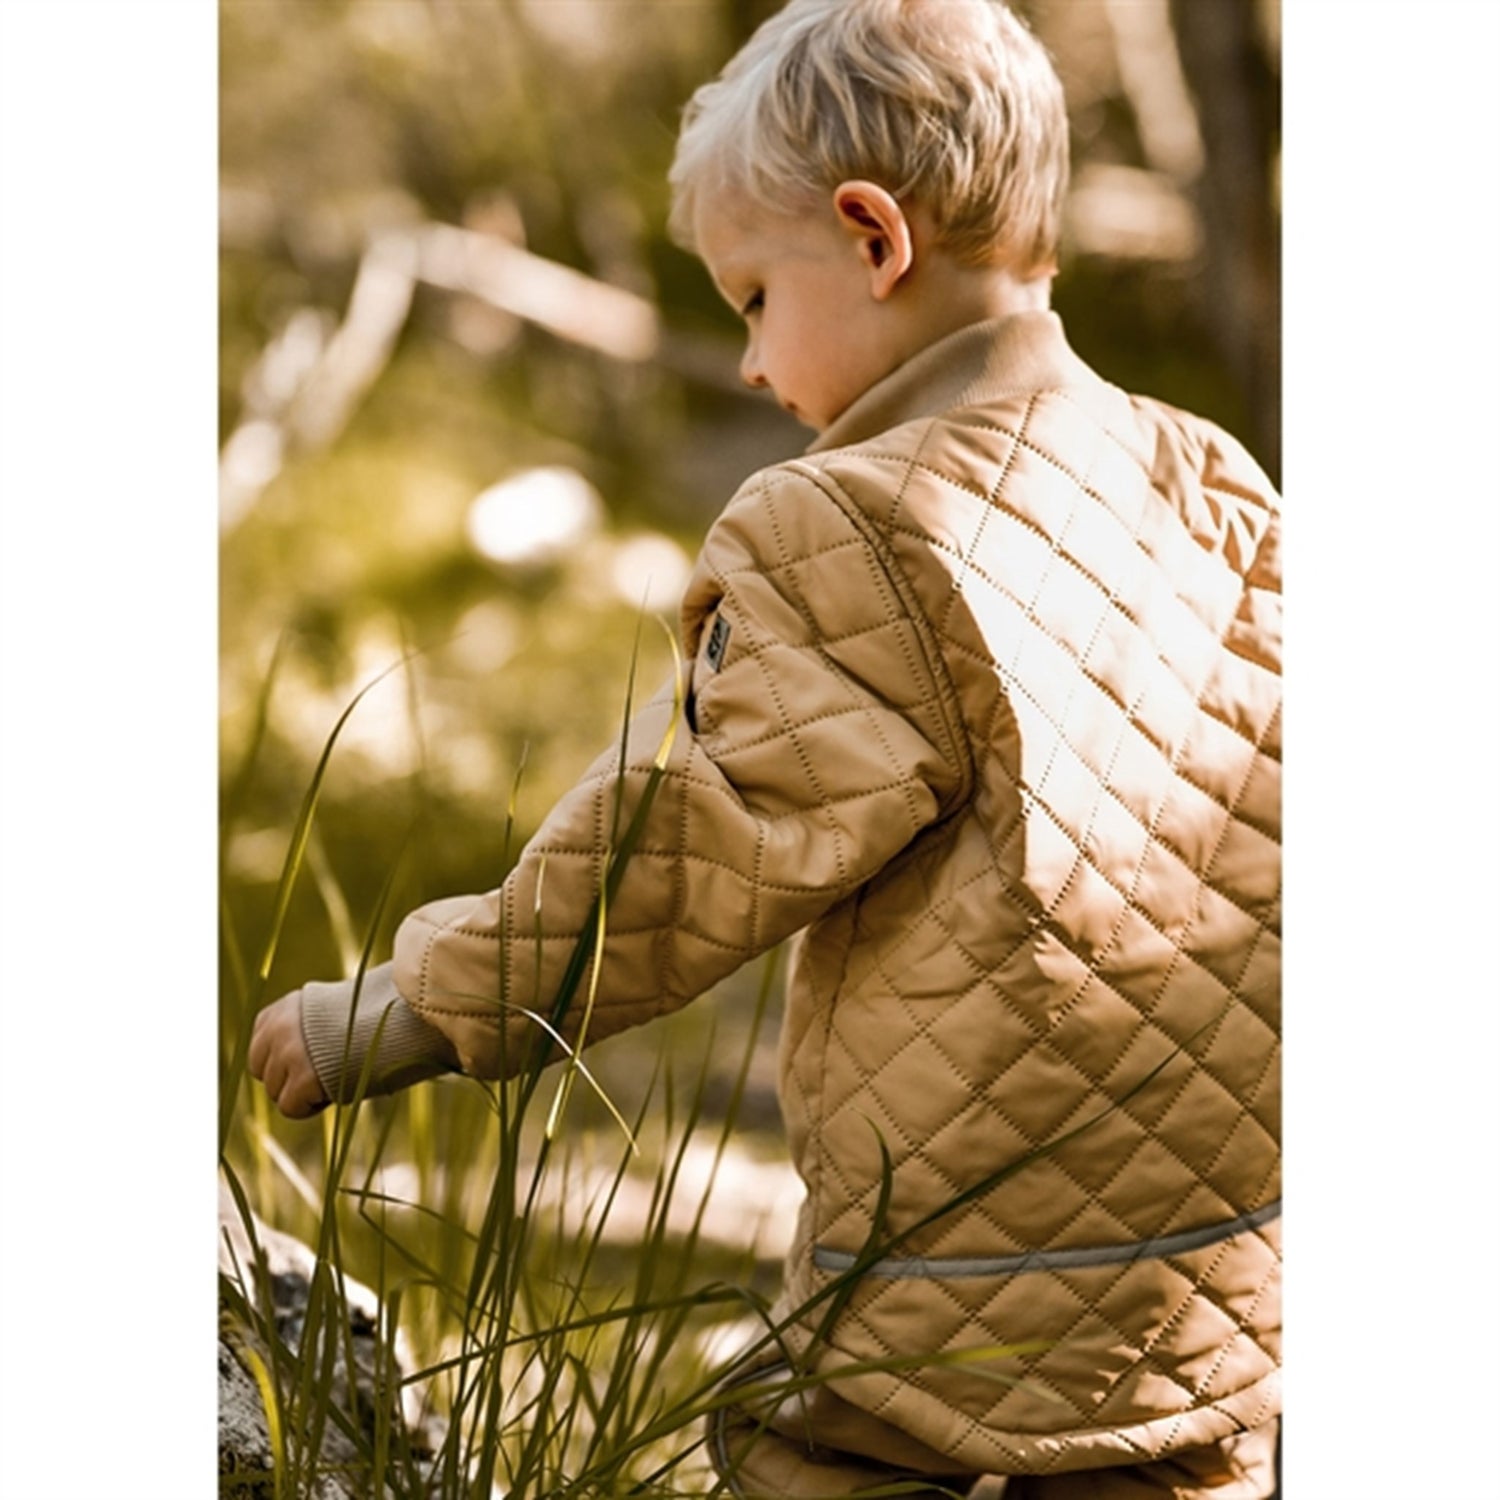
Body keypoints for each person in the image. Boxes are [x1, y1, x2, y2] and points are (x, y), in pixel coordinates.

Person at [249, 1, 1282, 1494]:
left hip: (960, 1266)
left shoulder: (845, 522)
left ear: (872, 237)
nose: (746, 362)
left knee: (810, 1452)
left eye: (748, 297)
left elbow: (689, 839)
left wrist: (423, 998)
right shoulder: (1216, 482)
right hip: (1227, 1274)